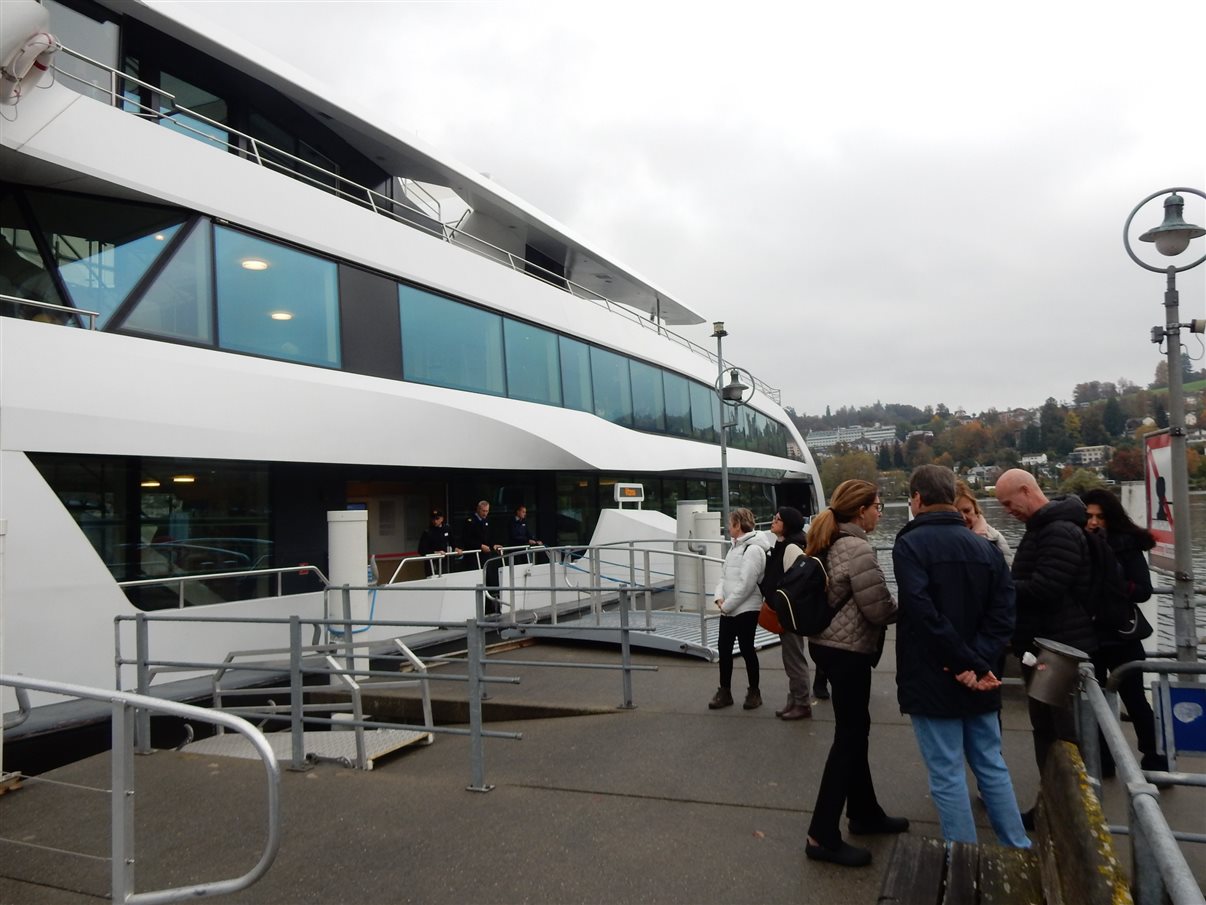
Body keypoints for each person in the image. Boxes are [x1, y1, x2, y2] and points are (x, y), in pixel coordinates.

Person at [893, 466, 1030, 848]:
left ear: (918, 499)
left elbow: (922, 612)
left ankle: (963, 858)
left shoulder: (910, 545)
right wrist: (980, 662)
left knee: (946, 773)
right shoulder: (986, 548)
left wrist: (961, 662)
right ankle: (1016, 846)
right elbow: (1004, 614)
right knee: (990, 764)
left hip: (933, 675)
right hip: (981, 676)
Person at [803, 480, 905, 868]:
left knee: (854, 730)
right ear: (861, 510)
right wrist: (910, 608)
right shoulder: (857, 547)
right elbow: (878, 609)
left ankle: (865, 812)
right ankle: (821, 834)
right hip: (848, 652)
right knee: (848, 737)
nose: (880, 511)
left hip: (825, 646)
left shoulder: (827, 541)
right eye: (877, 505)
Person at [994, 469, 1097, 828]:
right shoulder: (1047, 529)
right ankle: (1055, 805)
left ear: (1026, 490)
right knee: (1047, 730)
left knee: (1060, 734)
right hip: (1045, 646)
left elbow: (1047, 587)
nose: (1008, 511)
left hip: (1058, 650)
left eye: (1009, 503)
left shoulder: (1057, 532)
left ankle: (1070, 812)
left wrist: (1003, 586)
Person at [1080, 488, 1168, 776]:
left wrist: (1115, 581)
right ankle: (1103, 760)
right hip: (1090, 632)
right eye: (1089, 516)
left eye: (1100, 517)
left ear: (1111, 518)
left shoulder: (1125, 545)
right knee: (1094, 700)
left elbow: (1142, 590)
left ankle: (1156, 758)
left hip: (1120, 634)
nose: (1093, 522)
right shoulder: (1079, 543)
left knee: (1135, 699)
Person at [708, 507, 772, 711]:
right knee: (724, 650)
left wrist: (726, 605)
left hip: (746, 609)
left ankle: (754, 692)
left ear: (738, 525)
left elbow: (747, 584)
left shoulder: (752, 550)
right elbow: (724, 576)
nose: (728, 527)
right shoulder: (734, 547)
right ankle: (724, 691)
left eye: (730, 523)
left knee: (747, 649)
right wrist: (719, 597)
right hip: (729, 608)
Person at [758, 506, 814, 720]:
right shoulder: (783, 543)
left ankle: (802, 702)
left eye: (777, 519)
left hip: (792, 613)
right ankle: (794, 700)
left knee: (794, 657)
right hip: (785, 611)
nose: (773, 521)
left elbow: (796, 582)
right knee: (790, 657)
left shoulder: (792, 547)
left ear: (787, 525)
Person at [955, 480, 1012, 563]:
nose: (963, 517)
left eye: (967, 511)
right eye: (956, 513)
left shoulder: (994, 538)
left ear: (975, 509)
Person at [461, 500, 503, 610]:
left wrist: (493, 545)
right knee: (477, 582)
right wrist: (480, 546)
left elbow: (489, 538)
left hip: (485, 557)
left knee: (488, 581)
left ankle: (489, 608)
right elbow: (466, 539)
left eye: (487, 511)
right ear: (478, 509)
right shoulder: (470, 521)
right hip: (474, 558)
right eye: (483, 511)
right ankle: (477, 609)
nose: (485, 513)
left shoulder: (487, 521)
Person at [417, 509, 459, 576]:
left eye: (437, 519)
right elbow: (421, 550)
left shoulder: (447, 528)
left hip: (443, 561)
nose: (435, 521)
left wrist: (456, 548)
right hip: (431, 561)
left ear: (442, 519)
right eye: (433, 519)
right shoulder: (427, 532)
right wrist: (435, 552)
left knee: (444, 577)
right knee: (432, 580)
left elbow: (452, 541)